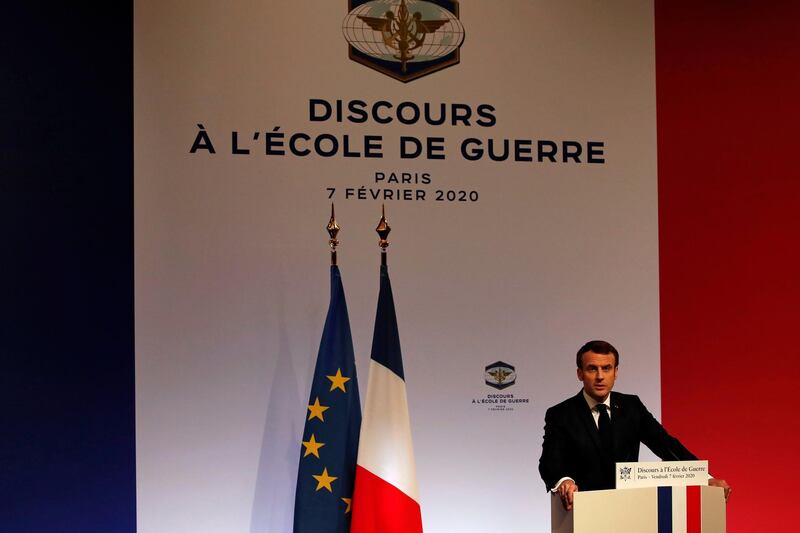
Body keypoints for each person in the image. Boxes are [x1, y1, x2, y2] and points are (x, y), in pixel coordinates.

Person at [538, 340, 731, 510]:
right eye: (592, 369)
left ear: (616, 372)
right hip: (582, 512)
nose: (600, 376)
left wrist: (704, 477)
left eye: (606, 368)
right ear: (580, 373)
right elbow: (549, 462)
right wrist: (564, 480)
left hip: (628, 510)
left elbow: (666, 445)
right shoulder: (561, 414)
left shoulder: (632, 407)